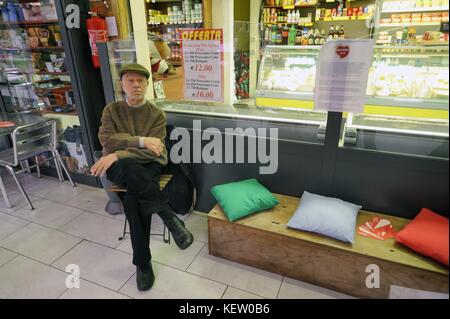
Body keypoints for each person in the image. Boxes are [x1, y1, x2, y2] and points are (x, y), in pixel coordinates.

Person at [91, 63, 194, 291]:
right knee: (128, 165)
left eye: (141, 81)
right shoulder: (112, 110)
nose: (136, 85)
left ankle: (143, 264)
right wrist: (139, 141)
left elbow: (154, 151)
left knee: (133, 200)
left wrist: (118, 152)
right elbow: (107, 140)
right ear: (122, 84)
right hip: (121, 167)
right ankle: (169, 217)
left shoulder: (156, 114)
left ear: (147, 84)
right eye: (131, 81)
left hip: (147, 166)